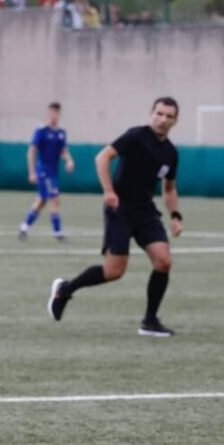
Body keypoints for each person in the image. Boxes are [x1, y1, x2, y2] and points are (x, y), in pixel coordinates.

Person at [48, 97, 182, 337]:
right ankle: (65, 289)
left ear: (175, 121)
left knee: (164, 261)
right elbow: (102, 157)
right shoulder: (136, 136)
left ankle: (150, 322)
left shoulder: (170, 153)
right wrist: (109, 191)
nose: (162, 119)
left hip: (145, 211)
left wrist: (175, 215)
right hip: (120, 208)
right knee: (114, 271)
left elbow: (169, 188)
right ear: (151, 113)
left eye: (168, 116)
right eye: (159, 113)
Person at [19, 102, 74, 241]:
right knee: (55, 199)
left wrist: (69, 160)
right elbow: (32, 151)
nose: (54, 115)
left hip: (54, 172)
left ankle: (24, 227)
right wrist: (32, 172)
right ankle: (58, 233)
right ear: (48, 113)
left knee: (42, 201)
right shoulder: (41, 131)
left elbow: (63, 150)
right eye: (52, 112)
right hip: (44, 171)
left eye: (57, 112)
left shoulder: (61, 133)